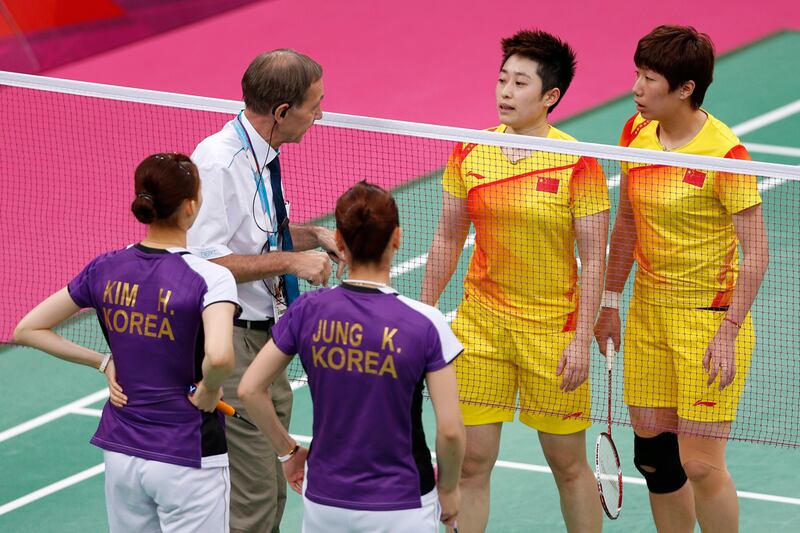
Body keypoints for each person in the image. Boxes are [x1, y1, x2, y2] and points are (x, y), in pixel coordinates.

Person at [420, 30, 609, 532]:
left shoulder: (579, 162)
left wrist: (581, 339)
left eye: (520, 83)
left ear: (550, 96)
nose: (505, 91)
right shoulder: (471, 150)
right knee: (471, 464)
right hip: (482, 328)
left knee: (568, 465)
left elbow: (594, 259)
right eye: (502, 79)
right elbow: (447, 238)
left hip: (553, 334)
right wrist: (422, 311)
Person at [594, 25, 769, 533]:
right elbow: (626, 221)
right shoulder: (635, 131)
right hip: (648, 314)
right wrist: (609, 301)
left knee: (701, 465)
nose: (636, 88)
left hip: (707, 320)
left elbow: (758, 253)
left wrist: (729, 332)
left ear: (685, 88)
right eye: (638, 74)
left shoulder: (725, 155)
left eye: (650, 79)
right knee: (654, 458)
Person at [13, 153, 239, 532]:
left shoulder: (105, 267)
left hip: (122, 453)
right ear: (190, 206)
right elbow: (218, 356)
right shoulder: (211, 278)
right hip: (187, 453)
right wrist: (209, 390)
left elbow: (28, 329)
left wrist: (102, 362)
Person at [238, 181, 466, 532]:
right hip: (402, 504)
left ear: (339, 243)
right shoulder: (426, 323)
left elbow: (249, 389)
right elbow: (450, 431)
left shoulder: (308, 310)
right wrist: (448, 490)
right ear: (397, 238)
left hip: (324, 502)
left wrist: (288, 452)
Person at [187, 49, 344, 532]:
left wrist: (314, 236)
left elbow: (258, 237)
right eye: (315, 105)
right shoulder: (218, 163)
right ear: (281, 111)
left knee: (272, 490)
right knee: (254, 499)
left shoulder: (261, 155)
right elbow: (203, 263)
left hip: (269, 339)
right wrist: (292, 261)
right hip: (232, 342)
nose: (320, 115)